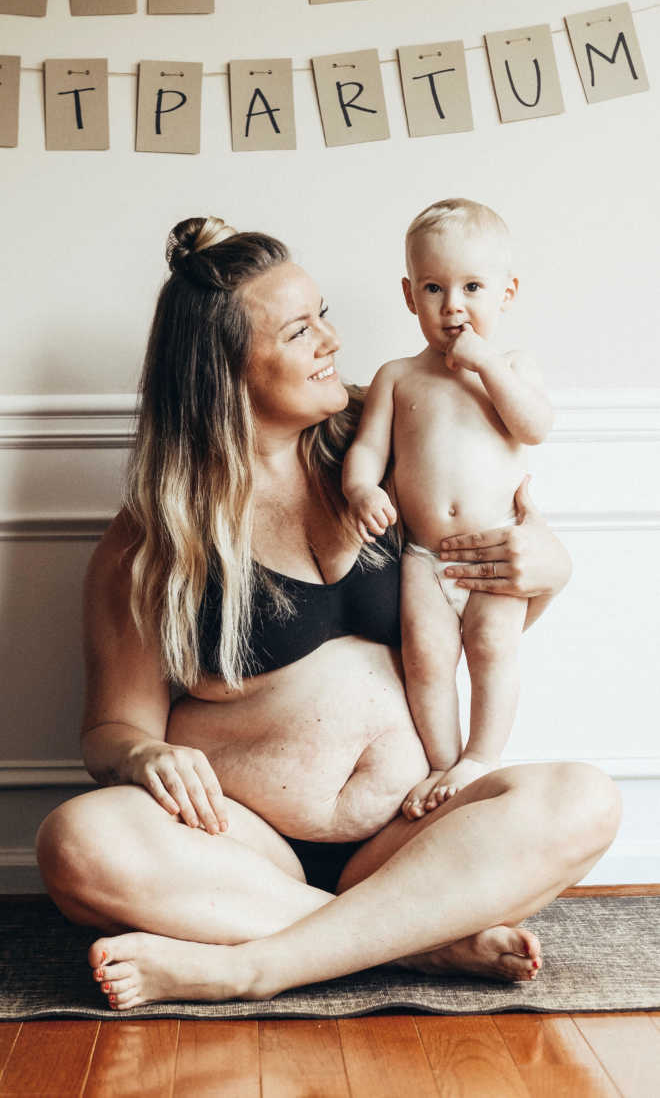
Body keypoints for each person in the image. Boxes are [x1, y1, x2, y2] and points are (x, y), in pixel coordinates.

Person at [35, 217, 620, 1012]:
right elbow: (110, 731)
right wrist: (144, 757)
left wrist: (547, 573)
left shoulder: (386, 454)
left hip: (406, 837)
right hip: (233, 851)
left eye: (324, 314)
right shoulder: (153, 535)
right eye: (299, 329)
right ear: (223, 369)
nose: (331, 340)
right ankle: (420, 941)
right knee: (77, 842)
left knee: (583, 800)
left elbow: (479, 627)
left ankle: (256, 965)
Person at [342, 199, 553, 821]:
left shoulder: (513, 366)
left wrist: (488, 365)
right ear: (410, 296)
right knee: (426, 659)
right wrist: (362, 491)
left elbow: (536, 426)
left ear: (507, 293)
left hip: (494, 554)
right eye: (434, 287)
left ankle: (481, 757)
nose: (452, 305)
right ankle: (442, 762)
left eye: (472, 287)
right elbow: (367, 450)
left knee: (492, 649)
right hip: (424, 556)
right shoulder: (399, 376)